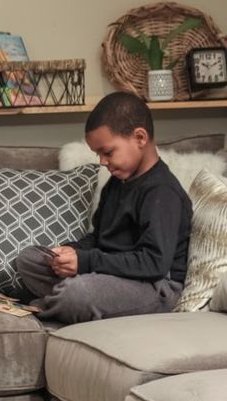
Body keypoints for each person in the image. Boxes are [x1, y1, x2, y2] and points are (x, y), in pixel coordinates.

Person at [16, 92, 192, 324]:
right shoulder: (116, 183)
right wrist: (70, 252)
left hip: (153, 286)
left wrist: (86, 261)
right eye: (98, 154)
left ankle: (43, 306)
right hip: (109, 273)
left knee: (78, 293)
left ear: (140, 138)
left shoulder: (162, 191)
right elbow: (99, 238)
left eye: (107, 152)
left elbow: (153, 263)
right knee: (29, 258)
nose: (102, 162)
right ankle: (66, 300)